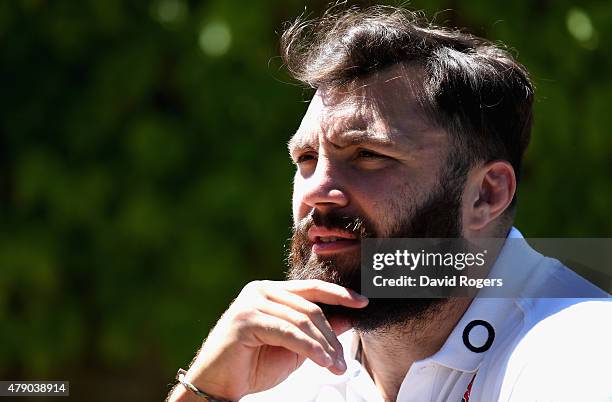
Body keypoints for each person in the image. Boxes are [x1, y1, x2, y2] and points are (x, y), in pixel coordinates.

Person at [167, 6, 611, 402]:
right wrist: (208, 391)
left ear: (486, 194)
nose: (318, 190)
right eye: (305, 159)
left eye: (368, 155)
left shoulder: (581, 351)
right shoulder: (282, 368)